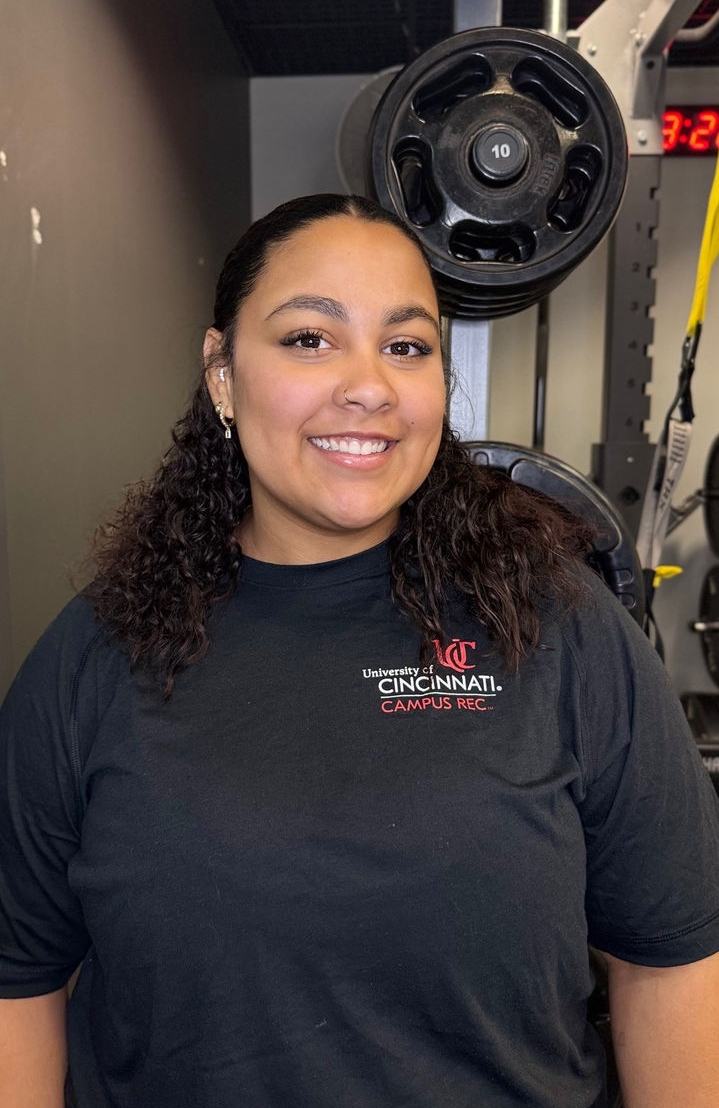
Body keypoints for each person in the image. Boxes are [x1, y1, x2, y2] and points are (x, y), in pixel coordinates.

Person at [0, 193, 718, 1108]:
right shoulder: (95, 656)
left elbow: (668, 962)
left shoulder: (560, 630)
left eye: (407, 346)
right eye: (309, 338)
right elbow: (17, 981)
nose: (369, 385)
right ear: (221, 374)